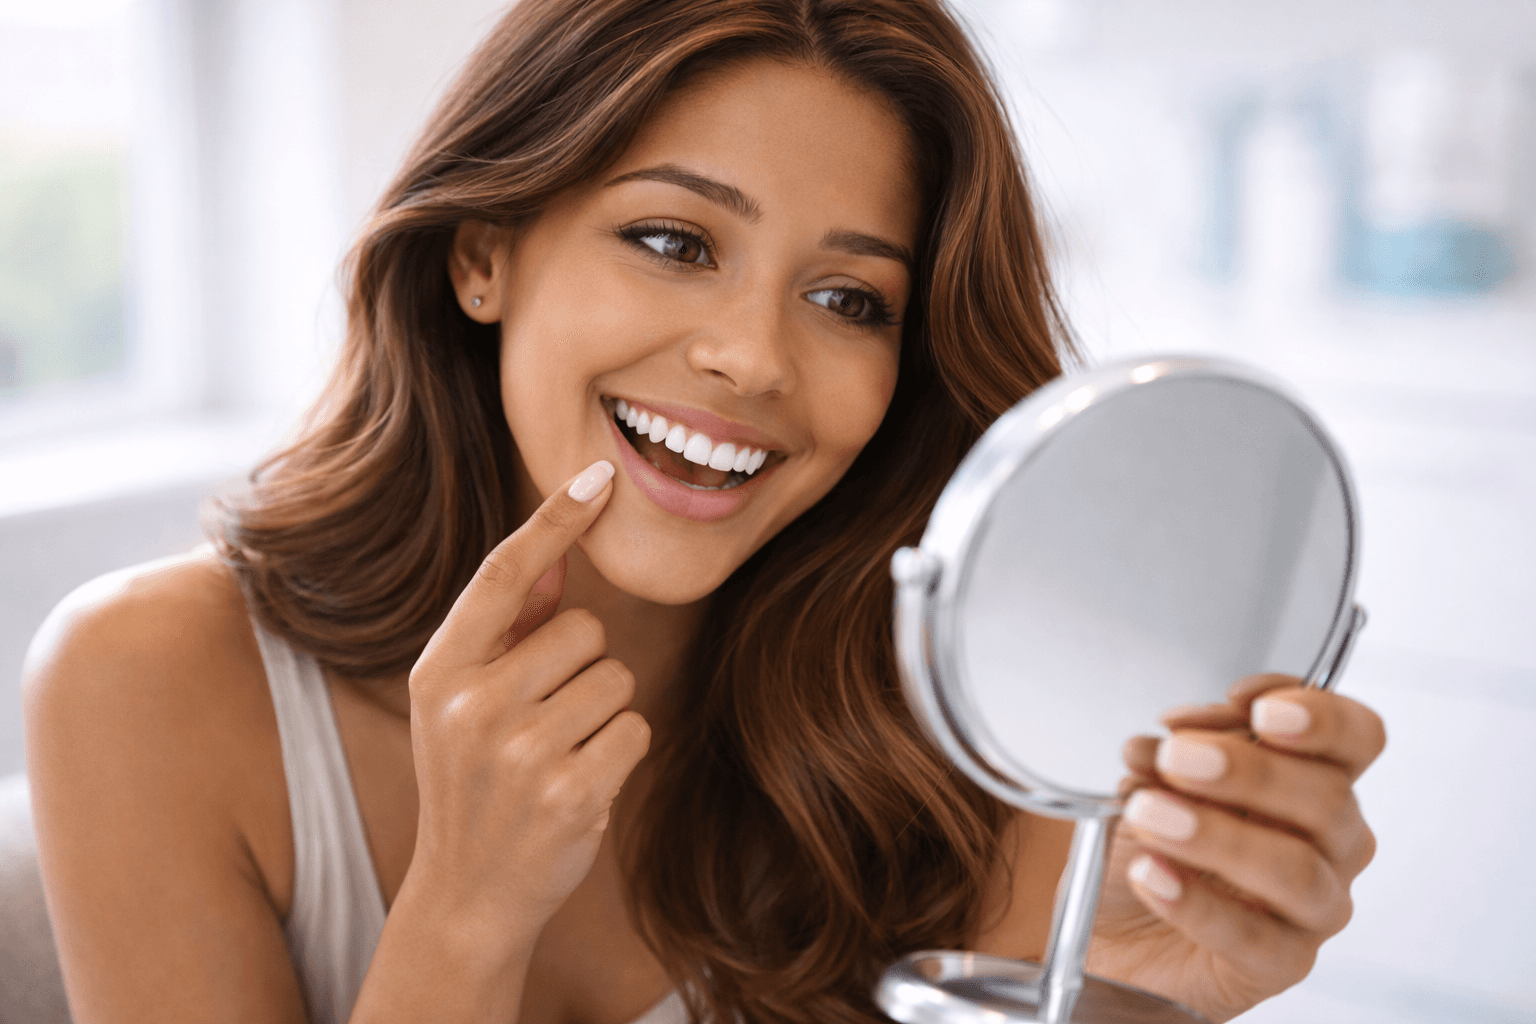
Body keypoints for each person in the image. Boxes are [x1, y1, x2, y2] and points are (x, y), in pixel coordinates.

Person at [22, 1, 1386, 1022]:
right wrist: (465, 912)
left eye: (851, 300)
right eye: (672, 242)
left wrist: (1146, 993)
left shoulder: (976, 729)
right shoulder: (146, 684)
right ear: (483, 253)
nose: (754, 359)